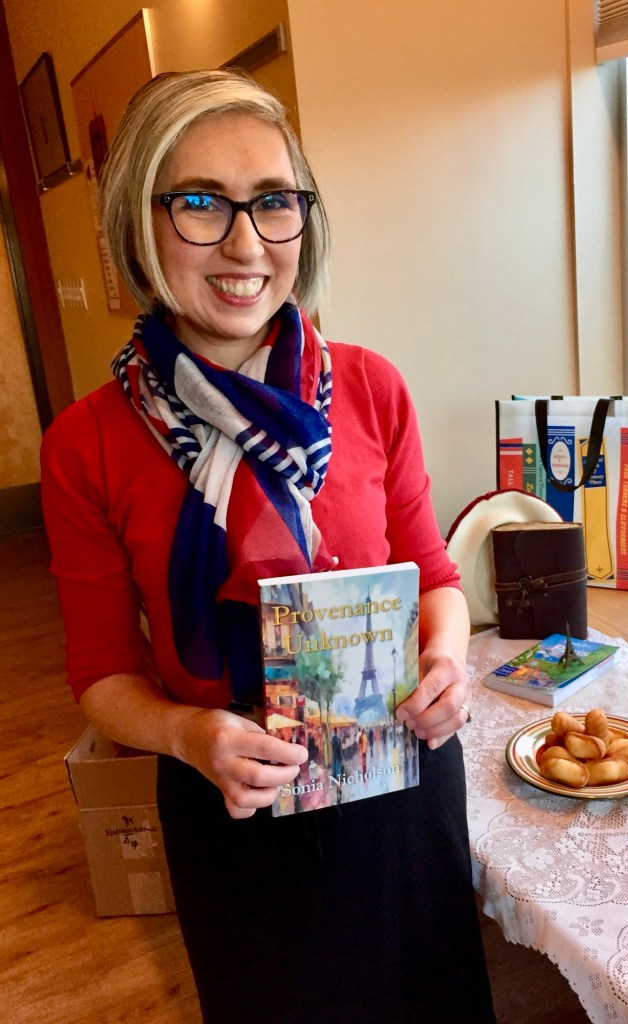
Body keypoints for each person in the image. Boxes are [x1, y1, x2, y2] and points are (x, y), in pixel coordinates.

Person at [40, 69, 496, 1024]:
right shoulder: (86, 442)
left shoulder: (369, 387)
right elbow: (102, 673)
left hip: (396, 779)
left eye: (273, 202)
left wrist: (447, 658)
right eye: (200, 203)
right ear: (140, 219)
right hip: (228, 803)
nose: (246, 244)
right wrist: (188, 735)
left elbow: (438, 581)